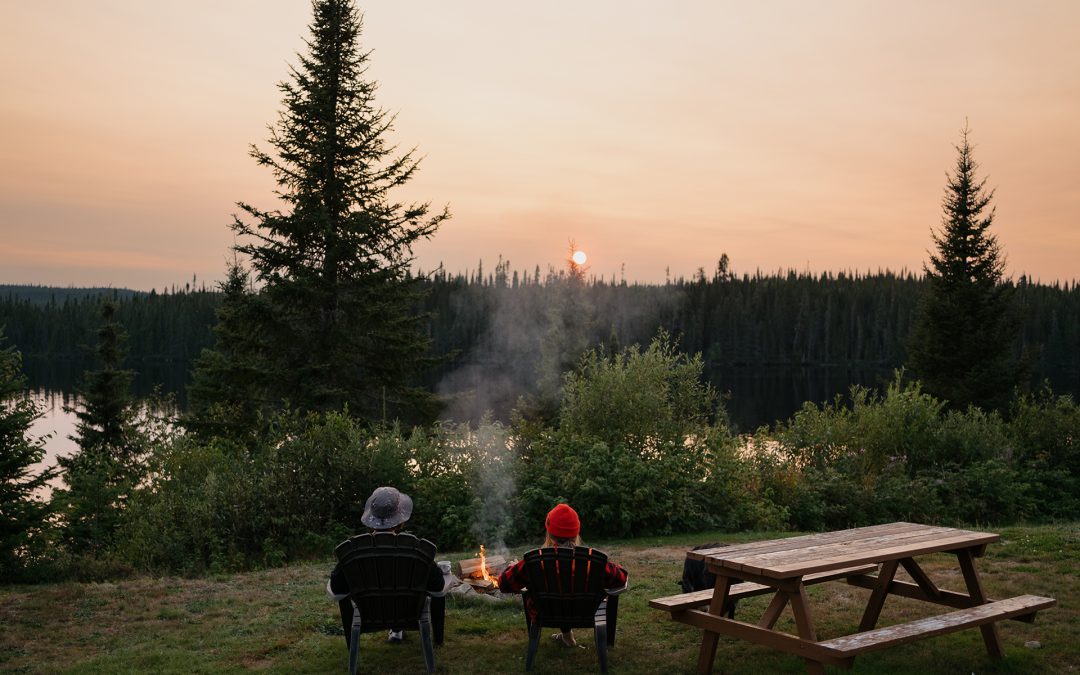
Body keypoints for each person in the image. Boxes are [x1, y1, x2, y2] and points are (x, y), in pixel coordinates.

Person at [327, 486, 449, 646]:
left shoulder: (353, 553)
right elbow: (438, 588)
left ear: (371, 520)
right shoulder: (416, 551)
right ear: (401, 521)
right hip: (410, 613)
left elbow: (337, 590)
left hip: (369, 614)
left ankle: (353, 647)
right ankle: (437, 641)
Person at [497, 503, 628, 647]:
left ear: (550, 533)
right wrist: (615, 566)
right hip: (587, 613)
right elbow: (621, 580)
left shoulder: (534, 562)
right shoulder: (593, 562)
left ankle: (564, 635)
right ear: (576, 533)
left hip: (545, 614)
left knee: (557, 593)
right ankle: (575, 637)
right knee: (568, 593)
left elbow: (503, 584)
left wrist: (512, 568)